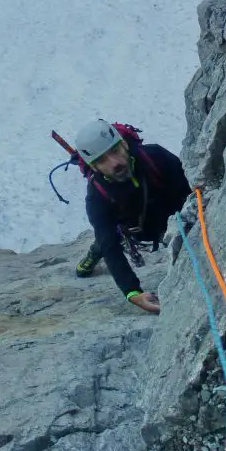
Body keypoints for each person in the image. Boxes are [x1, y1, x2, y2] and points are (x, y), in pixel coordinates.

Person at [72, 119, 192, 314]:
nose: (115, 163)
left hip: (172, 222)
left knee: (107, 237)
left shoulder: (156, 158)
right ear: (93, 167)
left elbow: (190, 193)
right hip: (135, 231)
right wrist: (132, 292)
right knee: (105, 240)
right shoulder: (97, 197)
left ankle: (96, 249)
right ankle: (95, 252)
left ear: (124, 144)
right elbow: (110, 246)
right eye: (102, 160)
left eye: (115, 150)